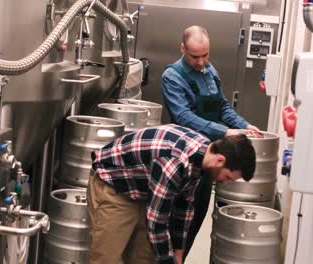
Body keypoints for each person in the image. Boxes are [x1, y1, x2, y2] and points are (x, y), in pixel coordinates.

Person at [87, 124, 256, 264]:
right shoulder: (174, 161)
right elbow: (157, 222)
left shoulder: (203, 155)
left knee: (144, 258)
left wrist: (178, 251)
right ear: (220, 160)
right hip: (115, 185)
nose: (225, 182)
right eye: (227, 177)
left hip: (145, 191)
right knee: (106, 257)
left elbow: (185, 205)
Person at [161, 25, 261, 260]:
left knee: (196, 217)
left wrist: (244, 125)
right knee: (176, 221)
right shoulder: (172, 76)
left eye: (205, 55)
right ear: (182, 48)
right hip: (184, 159)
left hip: (211, 158)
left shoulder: (210, 71)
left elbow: (223, 106)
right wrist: (225, 131)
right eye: (195, 56)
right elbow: (184, 116)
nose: (201, 61)